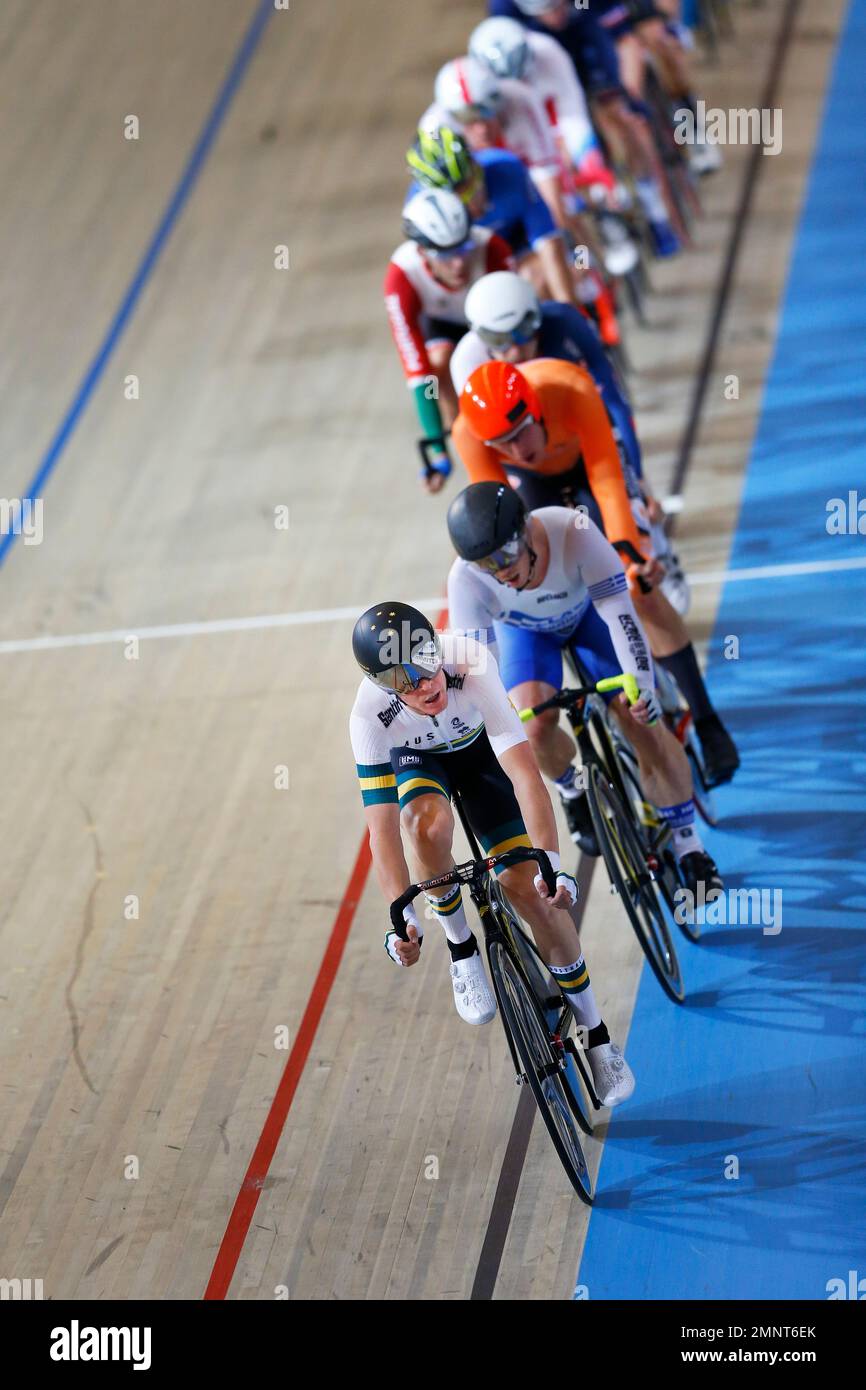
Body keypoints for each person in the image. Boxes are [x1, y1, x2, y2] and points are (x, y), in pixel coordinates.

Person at [349, 600, 635, 1106]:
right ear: (381, 686)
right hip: (421, 765)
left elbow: (525, 773)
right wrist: (401, 916)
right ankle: (462, 949)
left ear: (437, 647)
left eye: (425, 663)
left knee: (529, 889)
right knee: (422, 825)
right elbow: (382, 831)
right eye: (404, 681)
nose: (424, 684)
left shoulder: (471, 661)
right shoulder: (369, 717)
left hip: (482, 760)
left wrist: (550, 859)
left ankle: (598, 1036)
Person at [452, 360, 741, 785]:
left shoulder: (570, 388)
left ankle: (707, 719)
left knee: (636, 586)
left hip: (588, 464)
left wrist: (629, 551)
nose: (514, 450)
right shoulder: (468, 433)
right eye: (501, 444)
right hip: (531, 489)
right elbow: (502, 517)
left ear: (536, 410)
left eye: (519, 434)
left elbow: (607, 478)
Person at [445, 481, 724, 897]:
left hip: (591, 617)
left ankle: (689, 844)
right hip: (527, 639)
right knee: (533, 727)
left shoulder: (572, 531)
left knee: (638, 716)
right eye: (486, 563)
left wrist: (641, 685)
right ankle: (571, 788)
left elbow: (621, 614)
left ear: (526, 530)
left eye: (504, 554)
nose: (500, 570)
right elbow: (482, 671)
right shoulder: (467, 579)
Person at [450, 270, 691, 615]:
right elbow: (484, 445)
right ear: (482, 338)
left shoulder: (565, 323)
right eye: (501, 341)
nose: (516, 349)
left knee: (623, 517)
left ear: (537, 318)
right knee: (545, 554)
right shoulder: (466, 364)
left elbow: (614, 403)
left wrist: (636, 479)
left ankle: (655, 543)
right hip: (527, 465)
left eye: (523, 332)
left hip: (582, 445)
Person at [489, 0, 683, 255]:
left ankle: (654, 208)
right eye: (546, 11)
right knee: (555, 152)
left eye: (558, 7)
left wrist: (628, 99)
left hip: (589, 39)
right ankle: (594, 225)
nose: (555, 15)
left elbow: (621, 38)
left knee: (620, 114)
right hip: (541, 69)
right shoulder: (504, 9)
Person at [468, 14, 639, 276]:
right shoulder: (484, 91)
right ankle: (583, 262)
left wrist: (581, 158)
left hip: (556, 122)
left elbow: (574, 114)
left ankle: (604, 222)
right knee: (557, 211)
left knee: (579, 188)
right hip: (522, 135)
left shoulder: (548, 53)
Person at [383, 188, 513, 492]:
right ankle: (467, 436)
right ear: (422, 251)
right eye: (446, 254)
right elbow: (419, 377)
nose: (459, 264)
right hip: (443, 325)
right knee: (438, 368)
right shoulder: (400, 278)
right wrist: (438, 449)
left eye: (463, 247)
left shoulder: (491, 247)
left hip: (491, 318)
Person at [406, 126, 578, 314]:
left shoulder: (507, 168)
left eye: (468, 187)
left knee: (568, 233)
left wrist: (570, 313)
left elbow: (549, 244)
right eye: (457, 200)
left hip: (521, 245)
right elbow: (441, 278)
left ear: (476, 166)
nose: (470, 203)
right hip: (475, 259)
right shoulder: (419, 211)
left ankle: (594, 272)